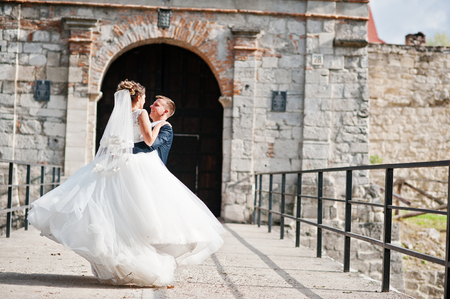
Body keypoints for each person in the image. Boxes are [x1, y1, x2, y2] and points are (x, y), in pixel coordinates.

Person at [27, 79, 225, 287]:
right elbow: (148, 141)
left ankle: (122, 259)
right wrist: (154, 129)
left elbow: (145, 144)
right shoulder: (141, 115)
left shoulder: (124, 117)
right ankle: (126, 260)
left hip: (123, 164)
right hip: (134, 166)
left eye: (155, 104)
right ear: (138, 97)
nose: (150, 104)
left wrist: (157, 128)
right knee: (129, 215)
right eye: (148, 100)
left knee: (122, 214)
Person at [133, 95, 175, 165]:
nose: (151, 106)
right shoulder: (145, 124)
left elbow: (150, 146)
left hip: (152, 168)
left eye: (156, 105)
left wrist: (126, 149)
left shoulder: (166, 128)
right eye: (153, 104)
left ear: (165, 112)